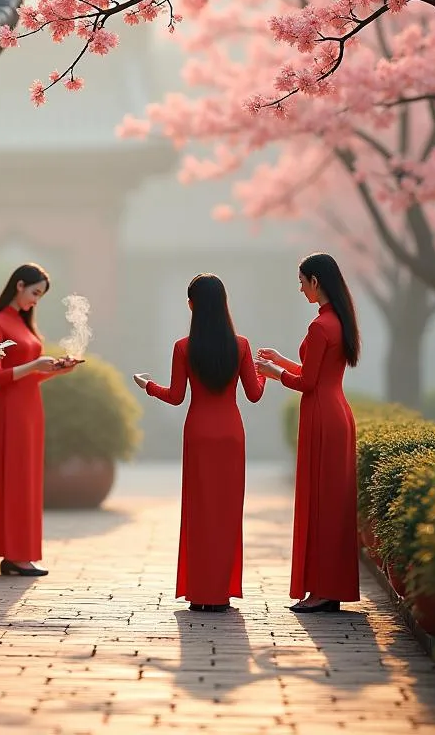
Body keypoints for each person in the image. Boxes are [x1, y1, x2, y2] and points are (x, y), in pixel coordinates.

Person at [133, 273, 263, 612]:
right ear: (224, 304)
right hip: (232, 434)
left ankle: (200, 593)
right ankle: (221, 593)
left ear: (191, 305)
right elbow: (254, 394)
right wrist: (263, 371)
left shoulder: (183, 347)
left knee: (200, 511)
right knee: (227, 512)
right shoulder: (242, 345)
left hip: (198, 434)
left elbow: (176, 397)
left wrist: (148, 385)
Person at [254, 252, 361, 614]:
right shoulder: (338, 321)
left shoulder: (319, 327)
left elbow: (307, 381)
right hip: (337, 412)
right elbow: (317, 371)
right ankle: (329, 587)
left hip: (319, 416)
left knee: (320, 503)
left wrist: (272, 373)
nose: (300, 289)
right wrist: (281, 360)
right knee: (334, 504)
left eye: (302, 282)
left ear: (316, 281)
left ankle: (321, 589)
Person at [0, 263, 80, 577]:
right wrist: (35, 364)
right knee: (16, 479)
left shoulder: (24, 324)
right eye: (35, 292)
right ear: (20, 285)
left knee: (28, 479)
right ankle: (15, 553)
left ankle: (20, 554)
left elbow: (29, 379)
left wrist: (56, 369)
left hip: (30, 409)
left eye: (40, 296)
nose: (36, 300)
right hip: (11, 411)